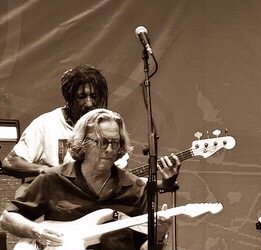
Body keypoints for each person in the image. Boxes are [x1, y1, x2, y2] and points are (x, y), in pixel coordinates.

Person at [0, 109, 197, 250]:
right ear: (83, 143)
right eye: (103, 142)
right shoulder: (53, 179)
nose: (110, 150)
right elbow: (8, 217)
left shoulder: (136, 187)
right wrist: (36, 231)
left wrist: (158, 235)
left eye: (115, 143)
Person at [1, 64, 180, 189]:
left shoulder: (108, 131)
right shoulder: (45, 124)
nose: (89, 103)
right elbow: (10, 163)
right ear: (69, 98)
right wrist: (52, 173)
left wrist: (164, 184)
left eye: (94, 97)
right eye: (81, 97)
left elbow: (122, 183)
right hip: (51, 209)